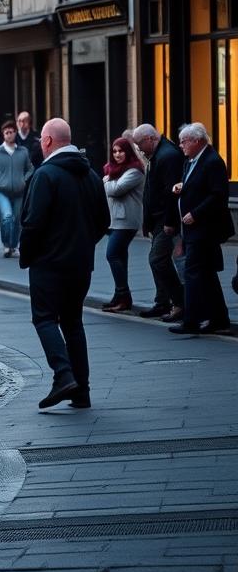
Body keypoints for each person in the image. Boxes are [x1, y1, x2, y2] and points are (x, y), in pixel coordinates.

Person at [20, 118, 109, 409]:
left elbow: (33, 223)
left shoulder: (45, 175)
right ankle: (81, 391)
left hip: (48, 263)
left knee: (44, 318)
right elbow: (103, 221)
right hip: (80, 264)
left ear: (46, 141)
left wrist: (29, 254)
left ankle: (63, 374)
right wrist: (82, 246)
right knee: (73, 323)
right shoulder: (92, 175)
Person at [167, 122, 234, 335]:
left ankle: (192, 320)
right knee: (205, 274)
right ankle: (218, 318)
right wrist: (182, 187)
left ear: (197, 141)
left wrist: (195, 213)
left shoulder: (213, 161)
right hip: (193, 229)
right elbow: (197, 186)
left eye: (184, 141)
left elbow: (218, 195)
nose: (180, 146)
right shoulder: (191, 161)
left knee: (193, 272)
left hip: (205, 228)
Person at [131, 124, 185, 321]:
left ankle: (180, 302)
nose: (138, 149)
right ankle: (163, 302)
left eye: (139, 144)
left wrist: (170, 221)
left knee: (158, 260)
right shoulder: (157, 154)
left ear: (150, 139)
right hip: (157, 219)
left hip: (166, 219)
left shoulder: (167, 156)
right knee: (159, 260)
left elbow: (172, 194)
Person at [102, 137, 146, 312]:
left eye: (121, 151)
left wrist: (106, 180)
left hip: (126, 220)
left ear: (128, 152)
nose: (118, 154)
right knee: (120, 257)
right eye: (115, 151)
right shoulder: (114, 170)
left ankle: (124, 295)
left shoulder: (134, 170)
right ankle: (119, 296)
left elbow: (115, 189)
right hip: (115, 220)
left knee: (112, 254)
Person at [0, 121, 33, 258]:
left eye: (12, 132)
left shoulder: (23, 151)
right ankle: (6, 245)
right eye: (6, 132)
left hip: (19, 191)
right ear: (3, 134)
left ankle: (14, 245)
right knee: (7, 217)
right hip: (2, 191)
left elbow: (30, 168)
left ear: (15, 133)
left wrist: (24, 180)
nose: (9, 135)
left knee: (17, 220)